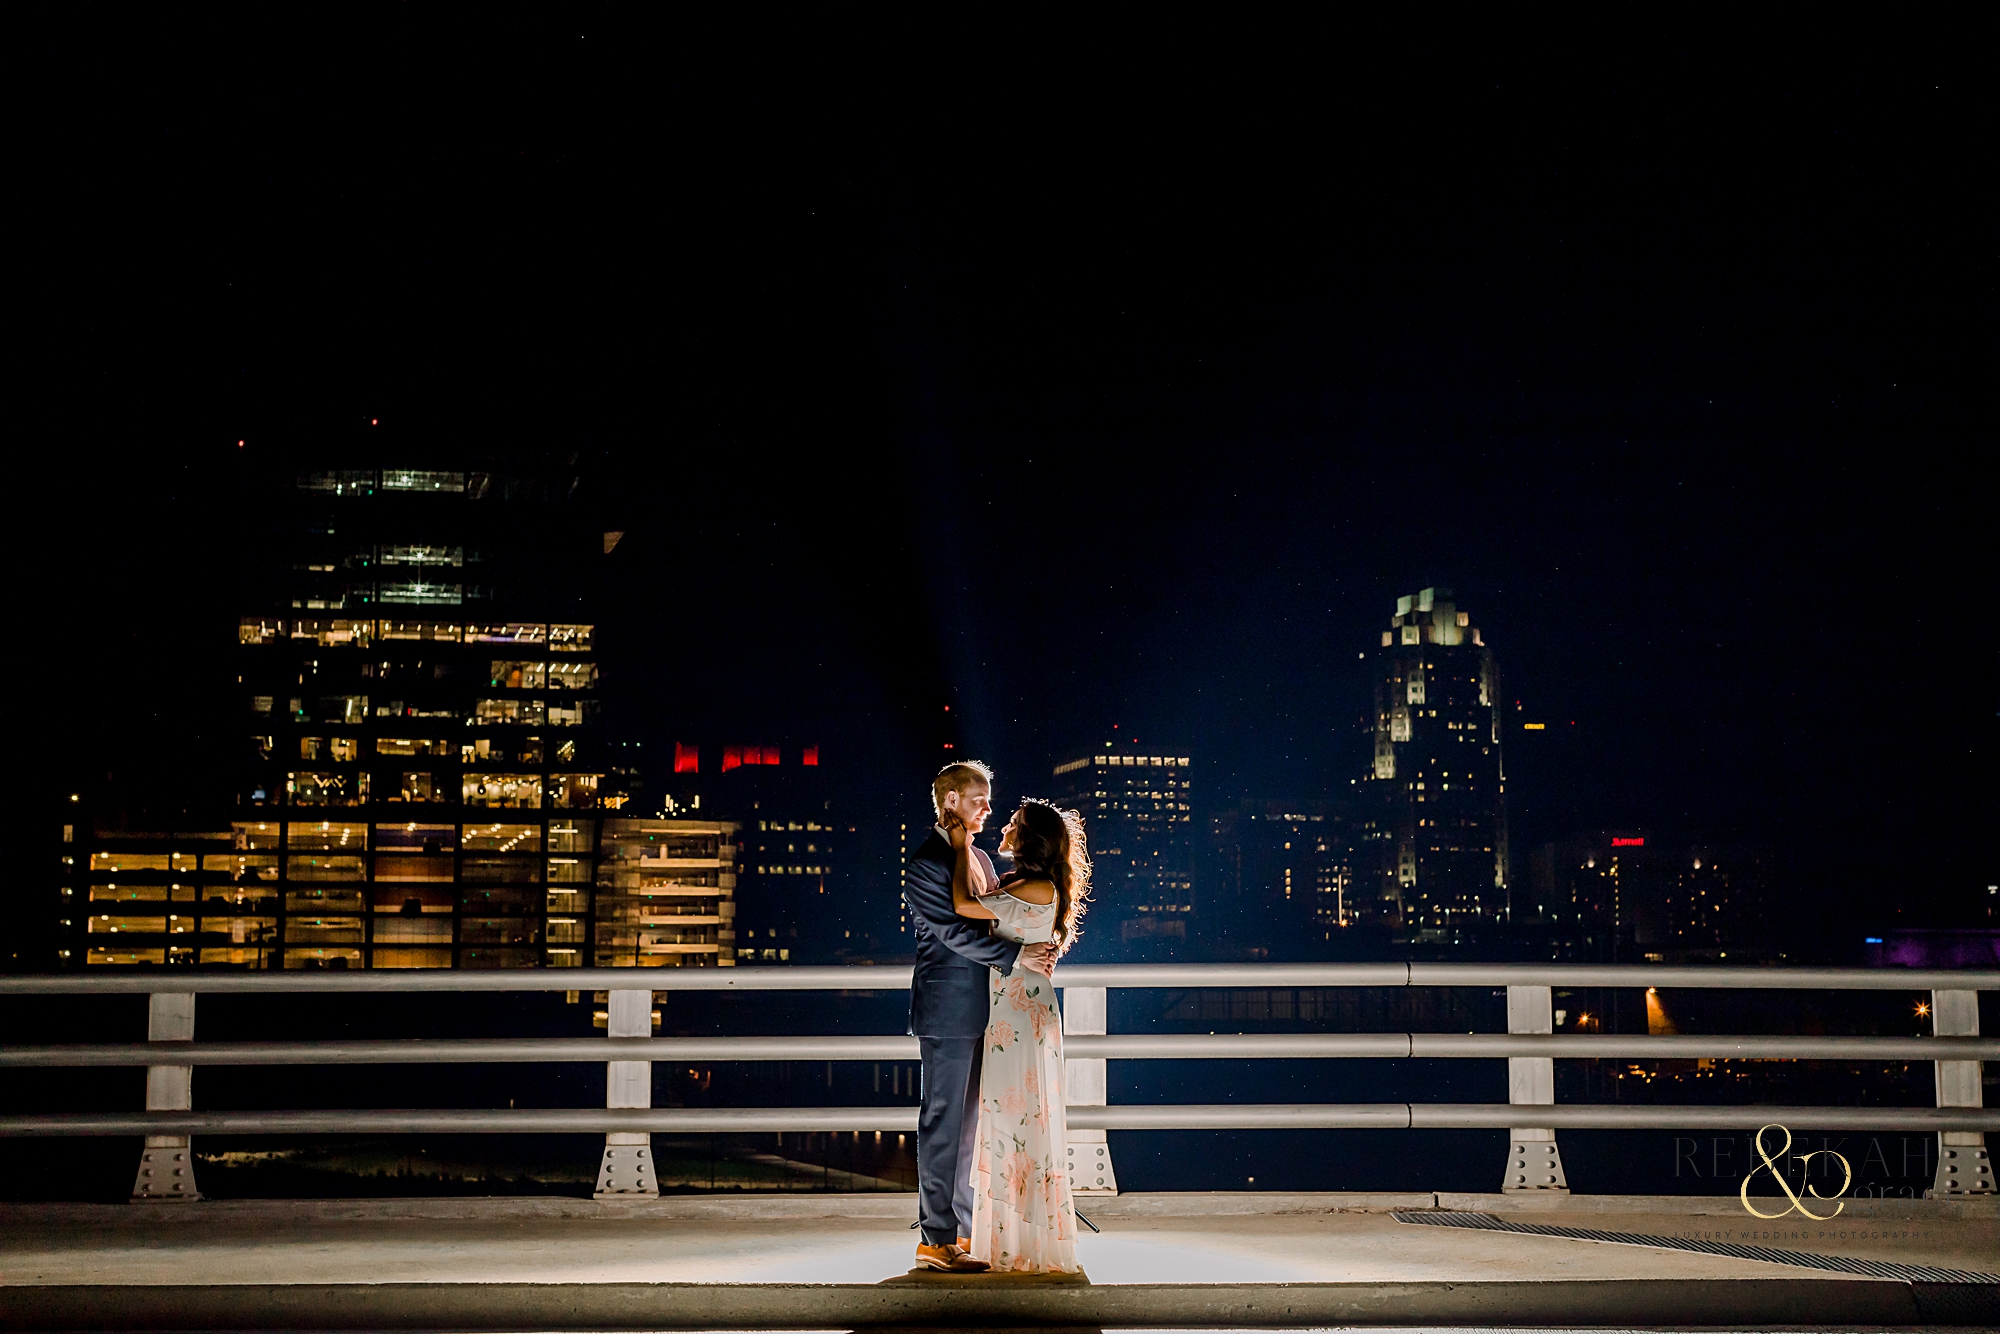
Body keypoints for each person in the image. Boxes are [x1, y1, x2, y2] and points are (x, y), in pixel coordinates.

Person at [902, 762, 1058, 1273]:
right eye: (978, 799)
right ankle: (935, 1239)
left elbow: (998, 920)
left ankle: (964, 1233)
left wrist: (1038, 943)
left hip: (991, 1010)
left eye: (990, 800)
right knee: (944, 1125)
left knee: (972, 1129)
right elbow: (953, 931)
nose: (988, 808)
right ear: (950, 801)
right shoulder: (926, 862)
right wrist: (1019, 959)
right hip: (947, 1009)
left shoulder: (982, 857)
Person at [946, 797, 1091, 1273]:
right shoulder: (1031, 885)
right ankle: (1018, 1240)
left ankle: (1015, 1244)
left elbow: (964, 906)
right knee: (1020, 1122)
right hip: (1020, 1007)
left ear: (1029, 839)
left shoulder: (1034, 886)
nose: (1005, 826)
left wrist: (958, 843)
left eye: (1014, 824)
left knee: (1015, 1122)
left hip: (1018, 1012)